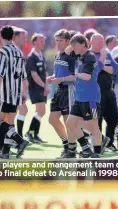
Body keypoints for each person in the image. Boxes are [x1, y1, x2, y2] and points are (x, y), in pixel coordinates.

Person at [63, 34, 105, 158]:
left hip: (90, 97)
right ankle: (86, 148)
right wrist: (73, 44)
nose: (72, 48)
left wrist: (76, 74)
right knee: (70, 123)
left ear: (82, 44)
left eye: (75, 45)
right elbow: (66, 51)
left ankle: (97, 153)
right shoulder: (79, 55)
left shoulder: (89, 57)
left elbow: (87, 76)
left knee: (93, 127)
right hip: (79, 97)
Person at [0, 25, 30, 159]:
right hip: (16, 94)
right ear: (13, 37)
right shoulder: (19, 52)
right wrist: (23, 93)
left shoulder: (3, 51)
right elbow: (24, 77)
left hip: (5, 92)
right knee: (9, 122)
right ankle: (5, 152)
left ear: (1, 37)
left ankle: (20, 141)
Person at [47, 29, 76, 158]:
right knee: (52, 119)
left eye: (60, 41)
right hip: (58, 90)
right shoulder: (58, 54)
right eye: (56, 40)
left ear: (68, 41)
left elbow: (76, 76)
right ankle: (67, 145)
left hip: (68, 90)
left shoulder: (72, 57)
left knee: (68, 121)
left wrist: (61, 79)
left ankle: (71, 150)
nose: (57, 43)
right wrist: (52, 77)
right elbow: (58, 73)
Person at [91, 33, 118, 152]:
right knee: (98, 118)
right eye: (99, 42)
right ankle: (99, 143)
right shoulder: (89, 54)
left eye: (102, 41)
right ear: (92, 42)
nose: (102, 44)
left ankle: (109, 142)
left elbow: (115, 68)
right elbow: (97, 67)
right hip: (96, 91)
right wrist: (106, 67)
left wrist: (105, 67)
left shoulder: (106, 53)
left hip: (109, 90)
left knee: (113, 117)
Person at [25, 33, 49, 144]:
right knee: (41, 111)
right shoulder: (31, 57)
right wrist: (44, 86)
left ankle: (35, 134)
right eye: (40, 41)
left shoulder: (41, 55)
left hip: (42, 87)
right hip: (35, 87)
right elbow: (34, 75)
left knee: (40, 111)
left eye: (43, 41)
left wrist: (46, 85)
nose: (43, 43)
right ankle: (29, 133)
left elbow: (45, 72)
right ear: (34, 42)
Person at [12, 27, 29, 137]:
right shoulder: (12, 51)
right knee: (12, 113)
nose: (25, 40)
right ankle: (15, 137)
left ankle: (18, 136)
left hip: (17, 86)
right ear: (16, 37)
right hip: (12, 87)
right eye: (23, 37)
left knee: (22, 110)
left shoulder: (18, 51)